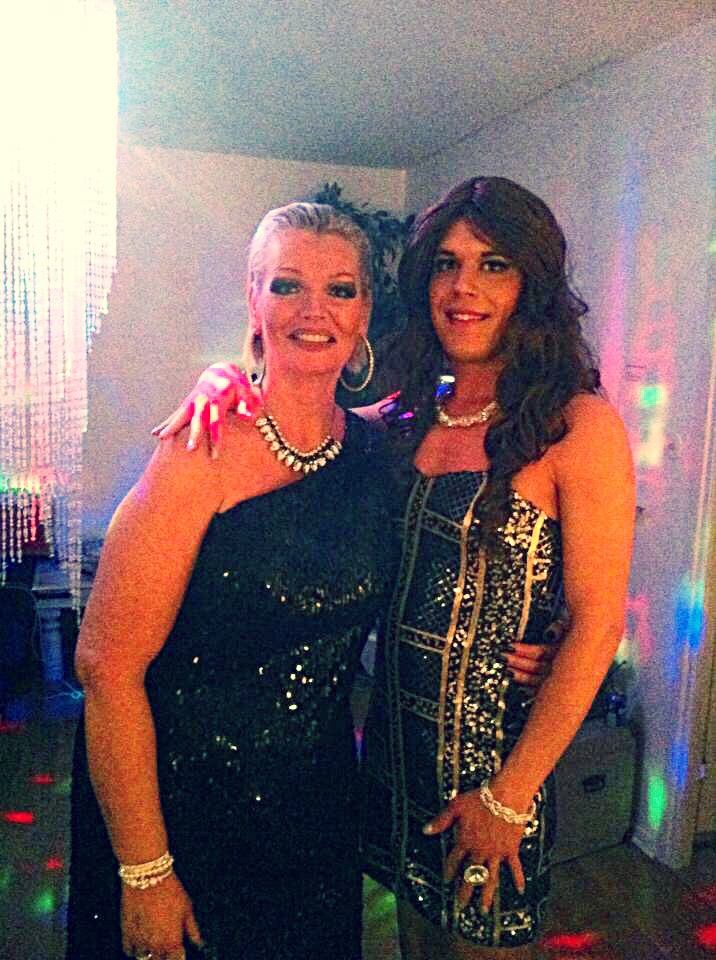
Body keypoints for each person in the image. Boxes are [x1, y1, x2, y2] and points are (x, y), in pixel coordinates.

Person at [153, 176, 635, 959]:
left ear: (533, 285)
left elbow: (599, 621)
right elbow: (306, 421)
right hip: (388, 767)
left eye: (494, 264)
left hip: (496, 778)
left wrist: (509, 799)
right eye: (447, 263)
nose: (464, 287)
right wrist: (229, 381)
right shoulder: (403, 419)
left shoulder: (577, 426)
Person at [66, 202, 401, 960]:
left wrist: (544, 637)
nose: (314, 310)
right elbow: (106, 667)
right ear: (254, 300)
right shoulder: (199, 449)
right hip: (182, 811)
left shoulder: (377, 448)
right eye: (287, 285)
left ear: (363, 315)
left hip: (314, 809)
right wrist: (146, 870)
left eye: (340, 290)